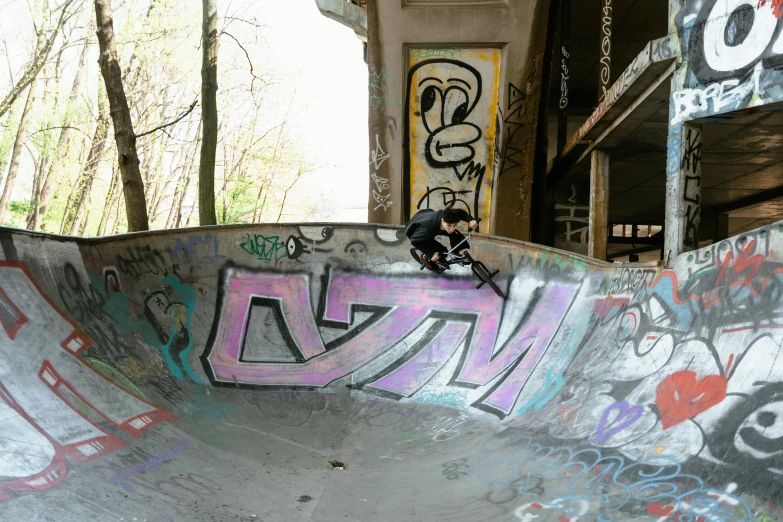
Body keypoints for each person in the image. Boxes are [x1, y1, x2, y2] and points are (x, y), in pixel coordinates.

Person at [405, 207, 478, 271]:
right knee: (442, 252)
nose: (451, 228)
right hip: (415, 232)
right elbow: (414, 240)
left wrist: (471, 220)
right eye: (448, 225)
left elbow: (461, 213)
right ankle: (425, 259)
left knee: (455, 234)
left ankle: (456, 254)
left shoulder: (448, 215)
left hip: (425, 215)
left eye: (454, 225)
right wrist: (430, 253)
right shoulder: (428, 229)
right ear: (442, 220)